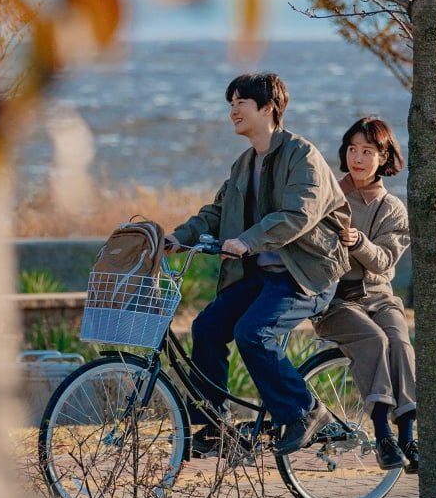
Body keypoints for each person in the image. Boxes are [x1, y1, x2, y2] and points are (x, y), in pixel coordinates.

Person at [167, 72, 351, 456]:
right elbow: (216, 213)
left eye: (241, 103)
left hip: (306, 274)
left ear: (268, 108)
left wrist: (247, 241)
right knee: (207, 328)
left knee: (254, 333)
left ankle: (307, 412)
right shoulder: (243, 164)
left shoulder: (303, 156)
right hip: (263, 275)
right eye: (230, 103)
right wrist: (177, 239)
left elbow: (298, 214)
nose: (233, 109)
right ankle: (212, 424)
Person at [314, 116, 418, 473]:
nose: (357, 158)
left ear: (384, 158)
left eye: (368, 151)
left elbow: (385, 262)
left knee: (401, 343)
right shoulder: (327, 197)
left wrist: (358, 241)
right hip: (335, 300)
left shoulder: (392, 209)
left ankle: (407, 434)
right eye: (352, 149)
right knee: (375, 340)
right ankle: (382, 436)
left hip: (379, 296)